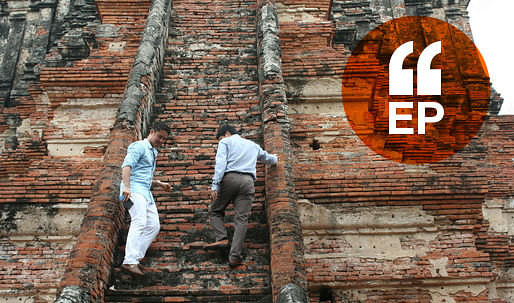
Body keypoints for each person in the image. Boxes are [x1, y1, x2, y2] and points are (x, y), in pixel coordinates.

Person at [206, 124, 278, 268]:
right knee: (242, 219)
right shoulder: (252, 145)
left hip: (230, 179)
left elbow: (220, 164)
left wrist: (215, 185)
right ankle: (235, 257)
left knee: (215, 211)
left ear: (226, 133)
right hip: (248, 182)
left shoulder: (225, 142)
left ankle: (221, 238)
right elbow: (267, 158)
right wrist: (275, 159)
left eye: (220, 138)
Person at [120, 121, 172, 276]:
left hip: (145, 192)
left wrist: (159, 184)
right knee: (140, 221)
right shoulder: (139, 146)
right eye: (159, 137)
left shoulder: (152, 151)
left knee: (154, 226)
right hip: (133, 190)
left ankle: (134, 258)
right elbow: (127, 166)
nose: (161, 141)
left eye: (164, 139)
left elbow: (143, 177)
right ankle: (129, 261)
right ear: (151, 132)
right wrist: (127, 187)